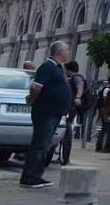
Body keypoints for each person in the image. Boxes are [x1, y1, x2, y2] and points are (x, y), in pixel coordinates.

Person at [21, 41, 71, 189]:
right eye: (66, 50)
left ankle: (36, 175)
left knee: (45, 145)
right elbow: (36, 86)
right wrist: (32, 99)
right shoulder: (48, 66)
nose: (68, 53)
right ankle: (29, 177)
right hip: (46, 111)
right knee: (40, 144)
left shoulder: (58, 67)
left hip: (54, 112)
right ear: (60, 52)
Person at [58, 61, 86, 165]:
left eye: (66, 70)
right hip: (70, 107)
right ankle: (62, 155)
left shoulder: (76, 78)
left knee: (66, 127)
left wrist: (78, 97)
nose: (65, 72)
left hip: (70, 107)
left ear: (69, 70)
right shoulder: (72, 78)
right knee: (66, 128)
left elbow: (80, 86)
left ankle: (64, 155)